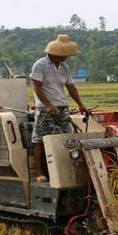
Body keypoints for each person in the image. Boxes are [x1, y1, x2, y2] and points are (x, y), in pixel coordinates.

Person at [30, 35, 89, 183]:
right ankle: (39, 172)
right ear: (54, 53)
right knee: (40, 139)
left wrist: (81, 104)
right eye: (63, 55)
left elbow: (71, 87)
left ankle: (65, 170)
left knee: (66, 139)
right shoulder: (40, 65)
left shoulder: (64, 67)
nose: (66, 58)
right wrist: (48, 105)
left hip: (62, 107)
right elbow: (37, 88)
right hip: (45, 108)